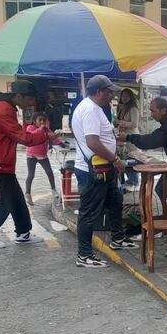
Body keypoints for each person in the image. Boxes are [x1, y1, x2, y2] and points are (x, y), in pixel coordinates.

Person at [0, 79, 54, 249]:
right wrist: (45, 135)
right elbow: (22, 137)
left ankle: (23, 233)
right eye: (29, 99)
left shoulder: (3, 105)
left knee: (16, 197)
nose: (31, 103)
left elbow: (17, 133)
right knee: (7, 200)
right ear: (18, 96)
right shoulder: (3, 109)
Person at [72, 75, 137, 268]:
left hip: (103, 168)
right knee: (89, 212)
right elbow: (92, 142)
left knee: (115, 201)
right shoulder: (91, 110)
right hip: (93, 170)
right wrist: (115, 159)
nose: (112, 95)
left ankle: (117, 238)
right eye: (109, 92)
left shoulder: (93, 107)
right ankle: (84, 255)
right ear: (99, 92)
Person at [24, 111, 65, 205]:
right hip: (31, 155)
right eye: (40, 120)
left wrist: (60, 141)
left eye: (44, 120)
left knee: (49, 172)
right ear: (34, 121)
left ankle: (53, 189)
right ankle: (27, 194)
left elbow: (53, 137)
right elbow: (32, 135)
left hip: (42, 155)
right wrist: (41, 129)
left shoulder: (46, 129)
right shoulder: (30, 127)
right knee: (31, 175)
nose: (42, 122)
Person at [113, 88, 140, 187]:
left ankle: (134, 181)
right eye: (123, 96)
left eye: (126, 96)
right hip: (121, 137)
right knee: (123, 159)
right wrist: (116, 122)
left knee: (132, 158)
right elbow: (117, 121)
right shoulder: (121, 108)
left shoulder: (133, 108)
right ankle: (124, 181)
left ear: (131, 97)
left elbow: (134, 124)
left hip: (131, 137)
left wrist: (121, 122)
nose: (124, 98)